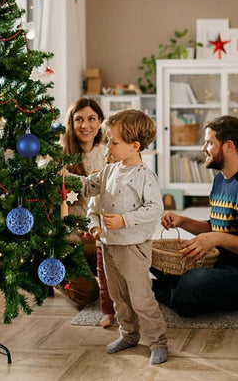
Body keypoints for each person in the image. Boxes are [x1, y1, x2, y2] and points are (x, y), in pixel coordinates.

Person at [66, 108, 168, 365]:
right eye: (108, 139)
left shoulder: (144, 175)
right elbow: (89, 186)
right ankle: (129, 334)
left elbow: (154, 208)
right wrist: (68, 179)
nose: (107, 145)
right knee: (118, 296)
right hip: (109, 247)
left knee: (141, 299)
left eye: (113, 142)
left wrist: (125, 220)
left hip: (133, 248)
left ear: (134, 146)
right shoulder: (110, 170)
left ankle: (158, 341)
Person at [152, 115, 238, 317]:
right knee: (149, 256)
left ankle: (159, 291)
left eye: (210, 142)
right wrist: (183, 221)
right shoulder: (220, 180)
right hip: (218, 262)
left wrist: (217, 239)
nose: (203, 148)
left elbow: (218, 235)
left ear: (229, 146)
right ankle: (173, 288)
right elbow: (216, 226)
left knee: (193, 283)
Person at [59, 97, 114, 327]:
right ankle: (55, 275)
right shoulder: (59, 157)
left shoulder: (108, 155)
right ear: (70, 123)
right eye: (79, 119)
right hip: (69, 239)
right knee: (86, 294)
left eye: (92, 119)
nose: (85, 125)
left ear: (100, 122)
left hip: (97, 236)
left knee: (122, 283)